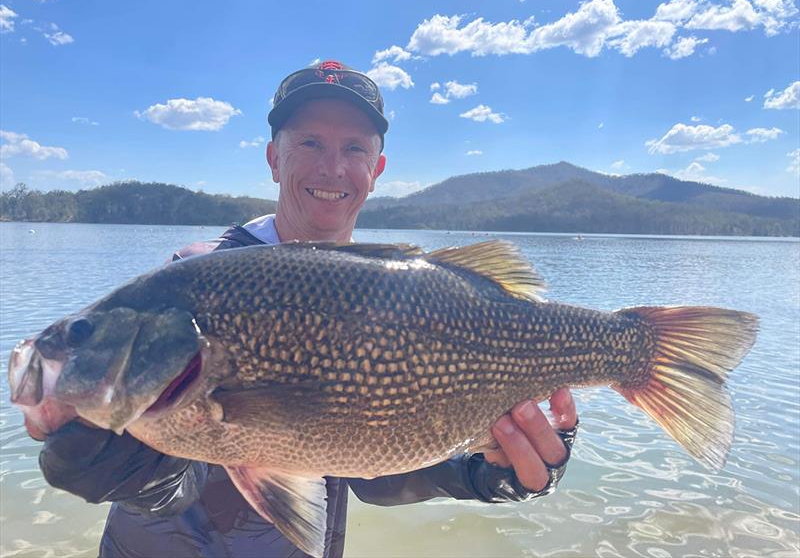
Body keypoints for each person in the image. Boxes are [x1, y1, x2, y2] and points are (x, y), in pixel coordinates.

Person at [38, 60, 580, 558]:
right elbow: (173, 486)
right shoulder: (196, 285)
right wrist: (125, 471)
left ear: (378, 167)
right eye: (311, 143)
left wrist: (489, 471)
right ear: (274, 157)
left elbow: (373, 466)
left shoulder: (399, 294)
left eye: (353, 149)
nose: (332, 168)